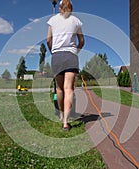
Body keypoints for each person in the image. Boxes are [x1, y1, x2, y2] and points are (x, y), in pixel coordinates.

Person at [47, 0, 85, 130]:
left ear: (59, 8)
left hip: (57, 56)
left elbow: (48, 39)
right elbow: (81, 41)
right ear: (71, 7)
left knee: (59, 89)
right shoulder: (76, 21)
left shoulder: (52, 20)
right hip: (71, 56)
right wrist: (75, 51)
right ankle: (66, 123)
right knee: (69, 89)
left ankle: (62, 116)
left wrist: (53, 51)